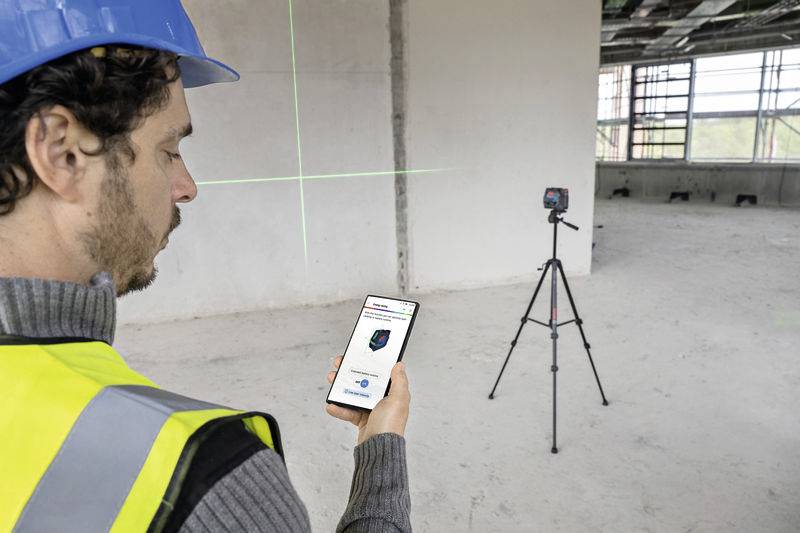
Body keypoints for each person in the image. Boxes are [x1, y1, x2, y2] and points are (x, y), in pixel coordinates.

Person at [0, 1, 411, 531]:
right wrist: (381, 445)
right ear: (61, 152)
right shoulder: (210, 480)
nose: (187, 187)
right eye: (169, 149)